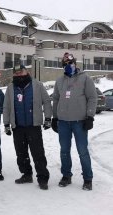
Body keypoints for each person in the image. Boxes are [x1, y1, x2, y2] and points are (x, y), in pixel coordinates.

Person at [52, 53, 97, 191]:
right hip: (64, 122)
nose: (68, 65)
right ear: (63, 66)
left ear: (75, 63)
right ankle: (66, 175)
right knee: (64, 151)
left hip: (80, 122)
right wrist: (55, 117)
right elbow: (56, 99)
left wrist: (90, 116)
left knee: (82, 151)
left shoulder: (85, 78)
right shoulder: (59, 81)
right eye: (65, 64)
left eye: (70, 63)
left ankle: (88, 178)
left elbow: (92, 98)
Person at [3, 65, 51, 190]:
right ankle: (27, 174)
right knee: (21, 153)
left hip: (33, 126)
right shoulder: (10, 88)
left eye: (21, 72)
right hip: (18, 127)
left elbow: (46, 101)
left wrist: (48, 118)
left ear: (27, 71)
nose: (19, 74)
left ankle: (42, 178)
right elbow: (6, 106)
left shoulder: (37, 85)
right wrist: (6, 124)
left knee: (38, 153)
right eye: (16, 73)